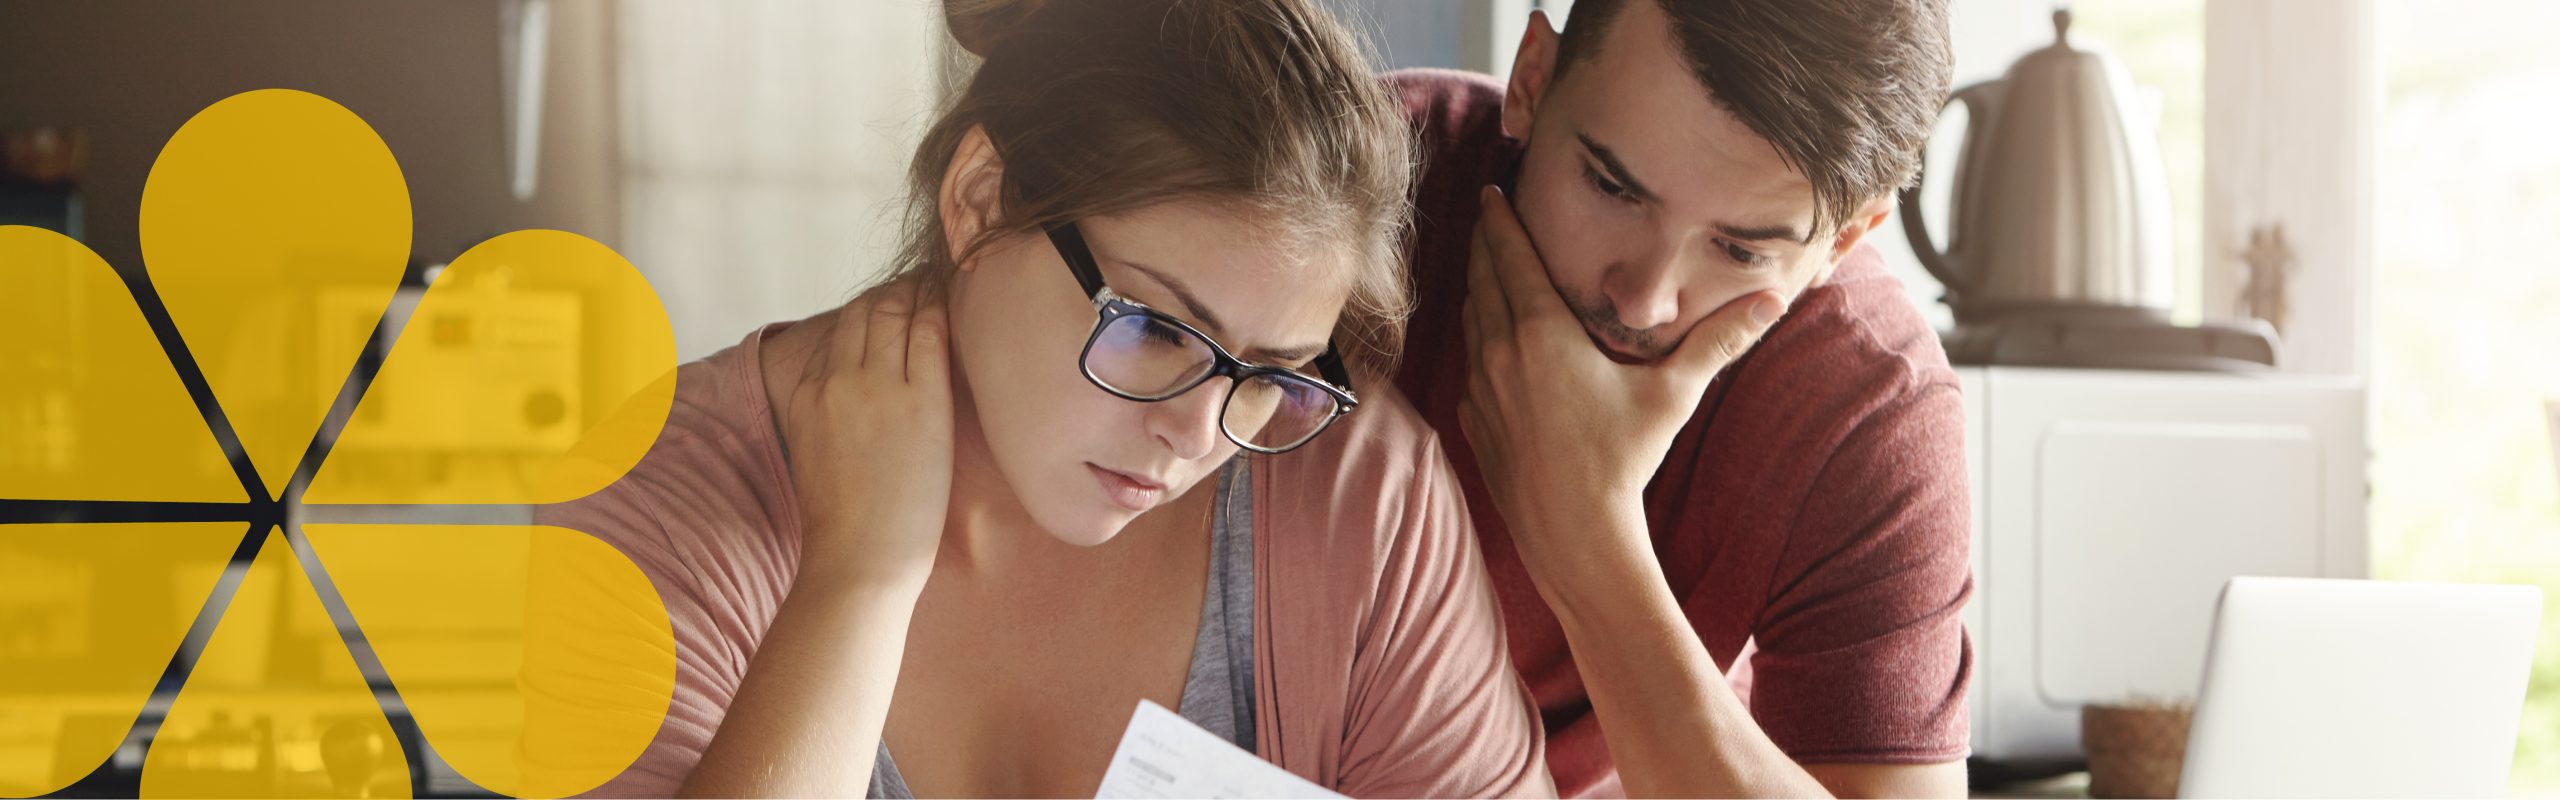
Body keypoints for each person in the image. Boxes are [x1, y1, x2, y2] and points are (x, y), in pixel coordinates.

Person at [529, 0, 1552, 796]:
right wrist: (860, 579)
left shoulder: (1361, 496)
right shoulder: (663, 491)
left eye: (1271, 372)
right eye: (1155, 328)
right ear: (980, 201)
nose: (1198, 434)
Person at [1386, 0, 1972, 796]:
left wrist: (1586, 532)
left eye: (1739, 249)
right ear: (1533, 78)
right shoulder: (1341, 188)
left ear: (1840, 244)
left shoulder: (1870, 402)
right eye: (1611, 186)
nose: (1643, 300)